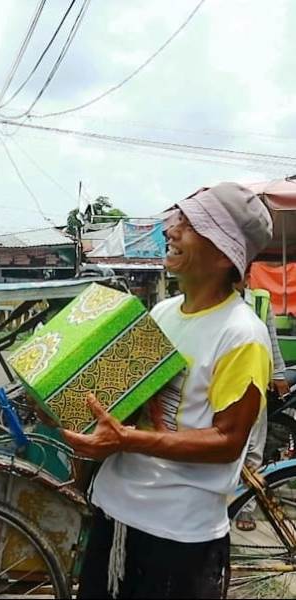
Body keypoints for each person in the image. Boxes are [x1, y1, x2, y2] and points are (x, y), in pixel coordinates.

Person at [61, 182, 274, 599]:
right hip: (115, 512)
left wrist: (127, 439)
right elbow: (130, 402)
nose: (171, 230)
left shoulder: (241, 334)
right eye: (178, 218)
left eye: (189, 223)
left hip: (178, 536)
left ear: (223, 253)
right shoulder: (162, 312)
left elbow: (228, 441)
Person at [234, 278, 288, 530]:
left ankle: (246, 508)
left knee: (253, 449)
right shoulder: (215, 299)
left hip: (255, 383)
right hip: (224, 384)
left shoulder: (259, 300)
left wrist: (278, 374)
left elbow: (272, 340)